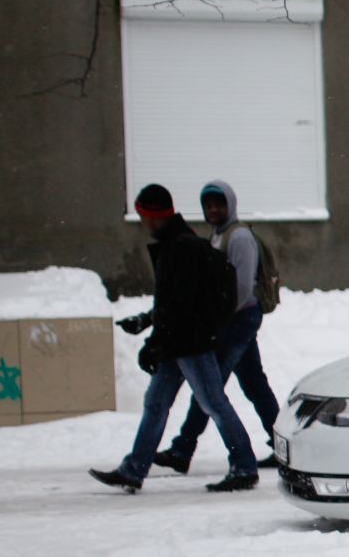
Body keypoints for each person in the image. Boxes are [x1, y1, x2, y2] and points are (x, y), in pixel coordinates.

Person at [90, 184, 261, 493]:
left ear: (153, 217)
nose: (142, 223)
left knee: (213, 402)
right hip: (179, 340)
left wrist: (154, 344)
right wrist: (149, 325)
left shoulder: (181, 247)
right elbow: (172, 303)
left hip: (190, 343)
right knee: (156, 402)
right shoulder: (177, 243)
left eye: (143, 216)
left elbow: (179, 306)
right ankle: (134, 469)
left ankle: (245, 466)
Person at [151, 180, 280, 474]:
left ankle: (184, 448)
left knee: (209, 388)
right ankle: (284, 446)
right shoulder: (217, 237)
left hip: (238, 321)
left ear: (230, 205)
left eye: (218, 204)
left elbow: (243, 287)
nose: (213, 210)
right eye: (208, 205)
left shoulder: (239, 238)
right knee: (253, 385)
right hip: (235, 321)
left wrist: (213, 318)